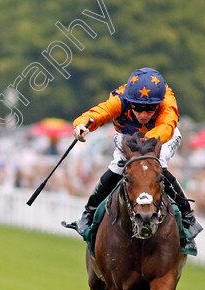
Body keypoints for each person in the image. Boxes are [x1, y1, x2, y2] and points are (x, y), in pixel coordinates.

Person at [65, 67, 201, 248]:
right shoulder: (120, 99)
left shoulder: (168, 100)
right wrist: (81, 125)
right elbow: (100, 112)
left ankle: (188, 216)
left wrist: (145, 146)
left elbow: (167, 124)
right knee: (118, 167)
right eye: (138, 108)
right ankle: (87, 214)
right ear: (130, 101)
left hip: (161, 136)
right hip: (128, 135)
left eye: (151, 109)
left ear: (158, 103)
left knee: (157, 165)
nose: (144, 115)